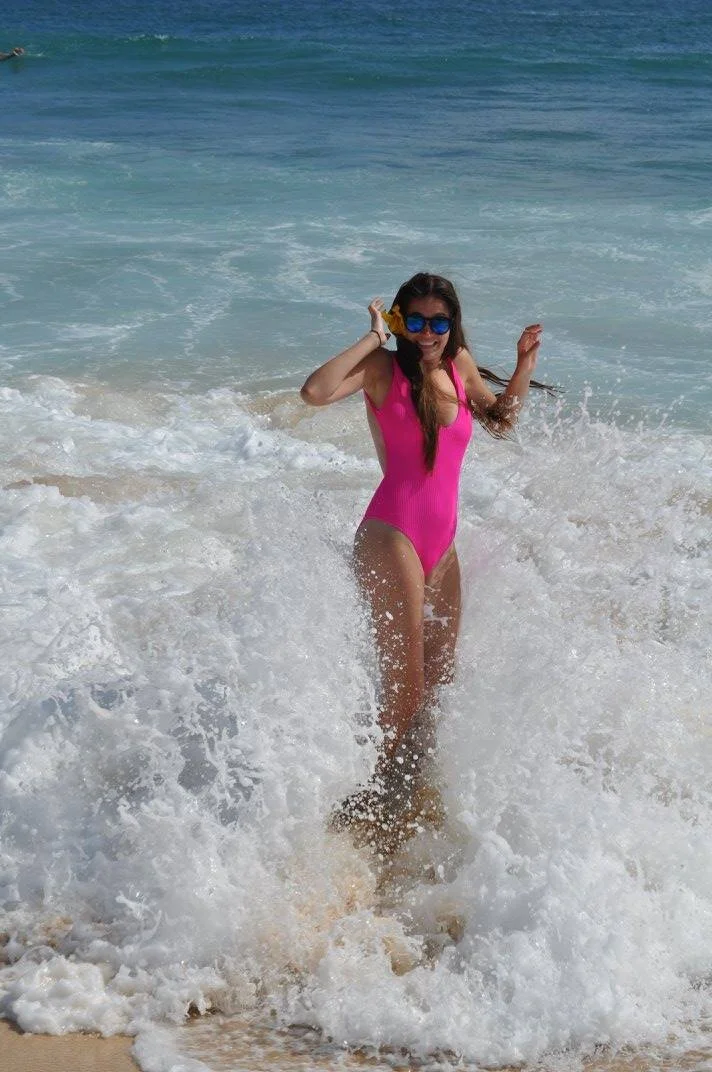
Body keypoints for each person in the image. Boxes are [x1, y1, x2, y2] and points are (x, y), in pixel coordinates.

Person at [300, 273, 549, 842]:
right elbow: (314, 392)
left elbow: (501, 418)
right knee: (405, 682)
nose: (428, 332)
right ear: (400, 322)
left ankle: (406, 796)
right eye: (414, 321)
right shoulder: (382, 369)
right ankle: (370, 806)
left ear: (452, 323)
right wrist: (374, 336)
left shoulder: (458, 363)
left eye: (438, 321)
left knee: (438, 684)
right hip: (392, 534)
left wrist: (524, 365)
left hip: (442, 546)